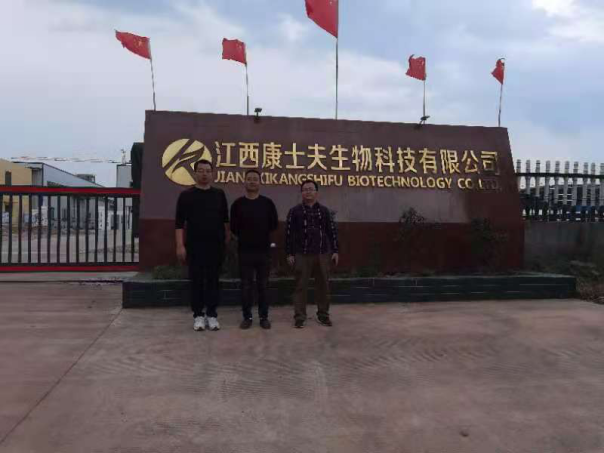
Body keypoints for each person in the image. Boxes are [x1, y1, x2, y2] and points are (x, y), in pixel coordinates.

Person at [175, 159, 230, 332]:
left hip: (215, 246)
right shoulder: (186, 195)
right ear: (195, 173)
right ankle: (198, 315)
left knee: (213, 281)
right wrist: (180, 246)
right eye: (201, 170)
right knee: (197, 281)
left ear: (212, 174)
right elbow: (179, 224)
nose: (204, 174)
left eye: (207, 171)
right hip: (194, 246)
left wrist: (226, 242)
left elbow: (225, 221)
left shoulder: (219, 194)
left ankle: (212, 315)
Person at [285, 180, 339, 328]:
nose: (308, 191)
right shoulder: (294, 211)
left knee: (323, 286)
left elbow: (332, 232)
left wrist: (335, 251)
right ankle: (299, 317)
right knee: (300, 286)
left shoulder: (324, 211)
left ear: (316, 192)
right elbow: (289, 234)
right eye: (305, 189)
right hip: (302, 254)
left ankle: (323, 315)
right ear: (301, 193)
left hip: (322, 253)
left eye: (311, 189)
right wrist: (289, 253)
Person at [230, 170, 278, 330]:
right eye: (249, 179)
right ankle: (247, 317)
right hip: (245, 251)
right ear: (244, 182)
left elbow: (273, 224)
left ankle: (264, 317)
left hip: (263, 251)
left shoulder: (267, 203)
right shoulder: (238, 204)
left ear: (260, 182)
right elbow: (234, 227)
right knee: (246, 286)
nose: (252, 181)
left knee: (263, 285)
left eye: (255, 179)